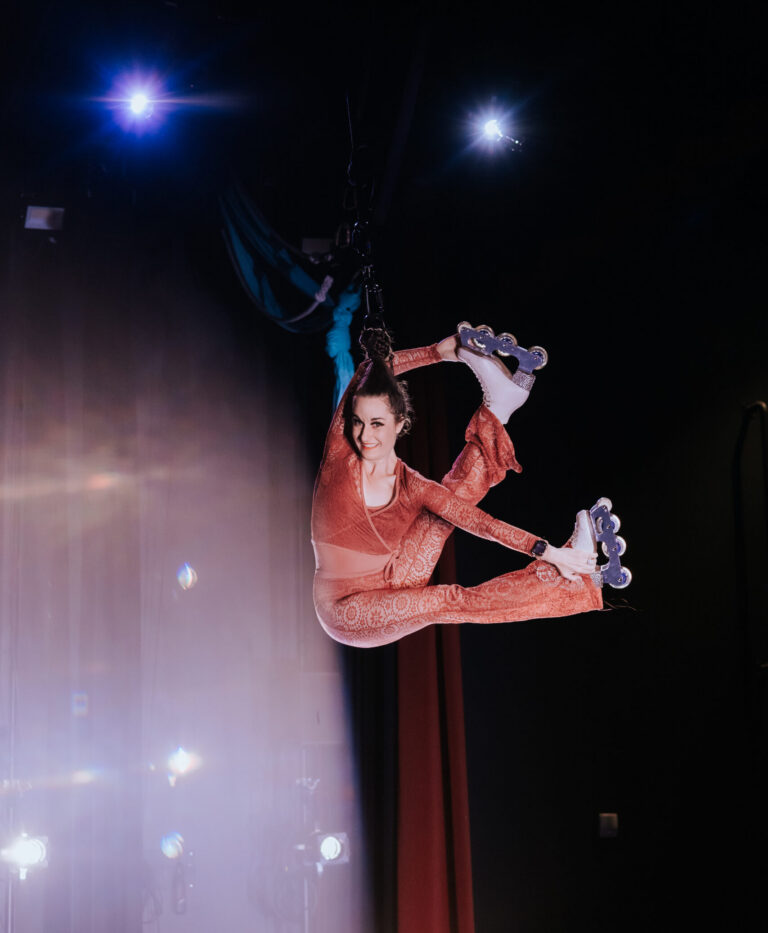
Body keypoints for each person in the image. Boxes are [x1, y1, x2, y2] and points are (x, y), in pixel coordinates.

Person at [311, 329, 603, 648]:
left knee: (448, 506)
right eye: (359, 422)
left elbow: (479, 522)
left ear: (399, 426)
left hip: (394, 574)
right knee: (447, 600)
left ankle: (498, 408)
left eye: (378, 424)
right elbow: (366, 374)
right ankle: (571, 582)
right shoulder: (338, 456)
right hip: (343, 611)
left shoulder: (412, 485)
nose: (366, 435)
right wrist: (435, 352)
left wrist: (546, 549)